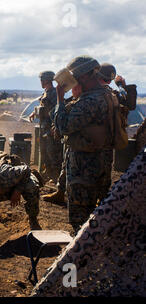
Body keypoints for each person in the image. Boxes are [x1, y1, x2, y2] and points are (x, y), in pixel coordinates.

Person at [54, 55, 117, 234]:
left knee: (80, 223)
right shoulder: (106, 94)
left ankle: (81, 258)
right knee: (96, 220)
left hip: (84, 171)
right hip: (100, 167)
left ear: (83, 76)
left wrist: (60, 99)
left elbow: (64, 126)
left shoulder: (90, 101)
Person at [96, 63, 138, 194]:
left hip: (93, 140)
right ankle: (101, 199)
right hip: (108, 140)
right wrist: (123, 86)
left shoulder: (94, 93)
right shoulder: (114, 94)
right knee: (105, 171)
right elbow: (130, 104)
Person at [43, 84, 83, 204]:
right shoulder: (74, 101)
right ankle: (60, 192)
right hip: (72, 144)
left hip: (82, 145)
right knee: (65, 166)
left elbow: (64, 125)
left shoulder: (84, 103)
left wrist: (60, 99)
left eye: (76, 87)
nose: (72, 90)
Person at [30, 71, 63, 182]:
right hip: (44, 128)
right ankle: (50, 175)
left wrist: (54, 128)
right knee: (44, 153)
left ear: (46, 80)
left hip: (50, 130)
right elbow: (42, 106)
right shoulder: (46, 93)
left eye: (42, 80)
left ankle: (56, 178)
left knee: (53, 154)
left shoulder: (54, 94)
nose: (41, 82)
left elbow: (56, 111)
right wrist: (34, 113)